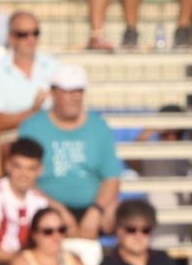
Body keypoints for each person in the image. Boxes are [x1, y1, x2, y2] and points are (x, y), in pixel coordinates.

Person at [18, 64, 120, 237]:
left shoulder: (99, 127)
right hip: (44, 206)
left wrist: (96, 210)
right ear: (53, 93)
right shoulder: (32, 127)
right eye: (68, 91)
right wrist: (55, 208)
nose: (75, 97)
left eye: (79, 91)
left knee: (122, 213)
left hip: (92, 208)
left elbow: (112, 178)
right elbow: (23, 177)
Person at [0, 137, 62, 265]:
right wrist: (20, 263)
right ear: (8, 165)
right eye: (18, 167)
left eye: (31, 168)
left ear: (40, 170)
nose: (24, 174)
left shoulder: (40, 201)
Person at [0, 12, 58, 132]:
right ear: (11, 37)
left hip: (51, 133)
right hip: (14, 136)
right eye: (23, 34)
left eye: (35, 33)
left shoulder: (54, 65)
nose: (31, 39)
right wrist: (33, 111)